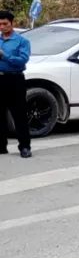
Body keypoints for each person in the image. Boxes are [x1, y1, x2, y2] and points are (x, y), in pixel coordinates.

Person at [0, 10, 32, 158]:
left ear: (12, 23)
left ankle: (24, 147)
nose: (2, 27)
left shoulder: (22, 41)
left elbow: (22, 61)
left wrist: (4, 56)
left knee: (19, 114)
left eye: (5, 24)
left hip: (15, 80)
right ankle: (1, 146)